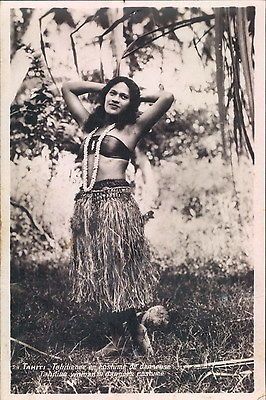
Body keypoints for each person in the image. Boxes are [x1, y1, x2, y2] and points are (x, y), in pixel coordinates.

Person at [62, 76, 174, 356]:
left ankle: (135, 329)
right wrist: (109, 87)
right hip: (87, 205)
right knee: (99, 274)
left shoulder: (133, 128)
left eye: (123, 97)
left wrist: (133, 94)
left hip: (116, 204)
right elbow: (68, 88)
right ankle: (118, 338)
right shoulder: (90, 125)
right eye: (113, 94)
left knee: (118, 273)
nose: (115, 99)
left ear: (131, 103)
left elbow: (167, 97)